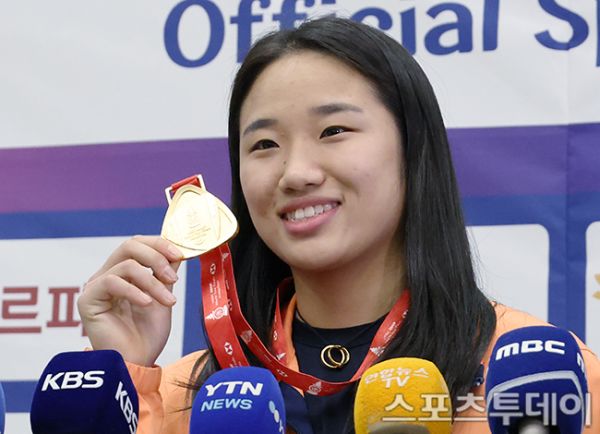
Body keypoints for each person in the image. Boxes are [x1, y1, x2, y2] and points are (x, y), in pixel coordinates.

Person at [77, 16, 600, 434]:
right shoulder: (188, 400)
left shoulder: (537, 376)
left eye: (333, 130)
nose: (296, 173)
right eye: (264, 144)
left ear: (412, 149)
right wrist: (123, 372)